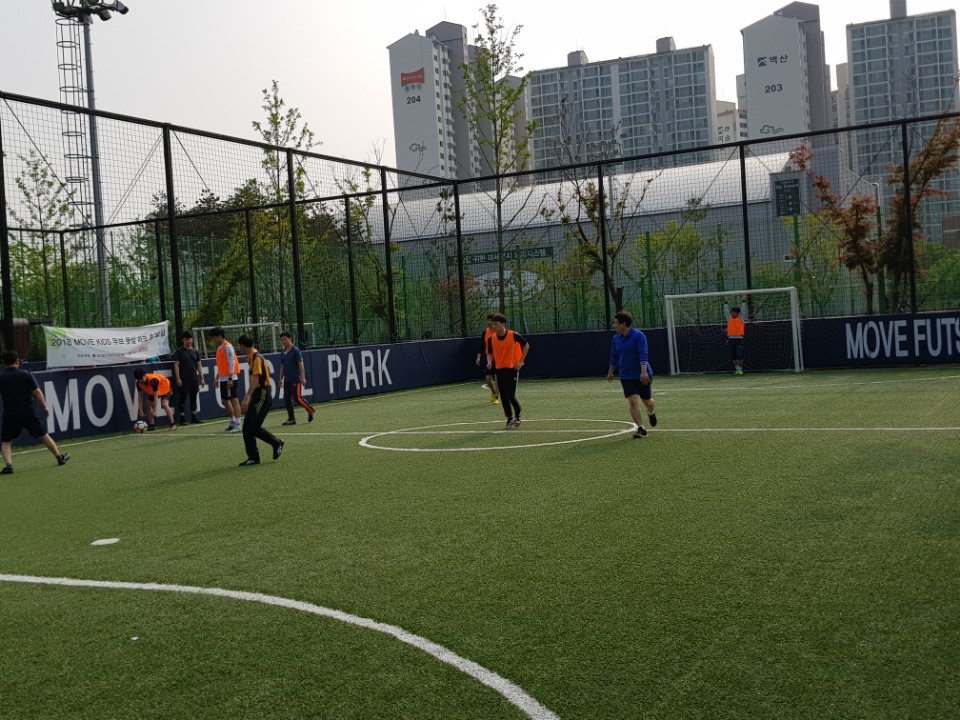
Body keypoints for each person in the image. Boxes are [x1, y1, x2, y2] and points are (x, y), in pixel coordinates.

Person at [0, 350, 70, 473]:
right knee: (43, 435)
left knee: (6, 441)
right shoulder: (26, 374)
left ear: (4, 362)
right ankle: (59, 457)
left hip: (10, 414)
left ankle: (9, 466)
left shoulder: (2, 377)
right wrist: (45, 407)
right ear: (17, 361)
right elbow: (37, 391)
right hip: (28, 412)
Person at [607, 310, 657, 439]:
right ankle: (641, 428)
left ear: (623, 323)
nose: (614, 325)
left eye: (616, 323)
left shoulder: (639, 336)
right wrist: (611, 371)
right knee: (633, 400)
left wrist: (644, 372)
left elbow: (643, 354)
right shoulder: (616, 339)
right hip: (626, 376)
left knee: (647, 401)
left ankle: (651, 411)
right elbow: (614, 355)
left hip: (642, 374)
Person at [235, 335, 284, 466]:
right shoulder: (251, 357)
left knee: (254, 427)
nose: (239, 348)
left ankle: (276, 442)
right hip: (257, 394)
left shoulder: (256, 358)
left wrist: (247, 397)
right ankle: (253, 458)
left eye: (240, 346)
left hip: (262, 394)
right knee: (247, 427)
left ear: (243, 346)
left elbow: (255, 380)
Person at [485, 313, 529, 428]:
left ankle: (517, 415)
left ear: (503, 324)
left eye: (496, 324)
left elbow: (526, 345)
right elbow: (490, 353)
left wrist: (520, 361)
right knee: (503, 395)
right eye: (493, 324)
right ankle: (509, 418)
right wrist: (489, 362)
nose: (493, 326)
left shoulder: (513, 335)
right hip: (499, 369)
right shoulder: (491, 339)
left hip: (512, 368)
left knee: (511, 394)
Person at [209, 327, 242, 433]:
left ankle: (238, 424)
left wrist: (230, 378)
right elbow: (222, 365)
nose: (213, 339)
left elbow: (232, 362)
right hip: (223, 378)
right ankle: (232, 422)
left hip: (229, 378)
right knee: (225, 401)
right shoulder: (220, 348)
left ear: (219, 336)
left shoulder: (228, 347)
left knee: (234, 400)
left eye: (214, 337)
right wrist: (217, 377)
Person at [278, 331, 315, 426]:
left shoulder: (295, 351)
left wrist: (303, 378)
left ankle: (310, 410)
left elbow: (301, 365)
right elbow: (282, 366)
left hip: (295, 379)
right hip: (287, 380)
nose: (283, 341)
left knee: (297, 398)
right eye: (281, 340)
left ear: (290, 339)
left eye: (285, 339)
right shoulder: (283, 353)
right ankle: (291, 419)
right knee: (287, 398)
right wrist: (281, 379)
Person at [172, 331, 205, 424]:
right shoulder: (179, 351)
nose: (188, 341)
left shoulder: (195, 352)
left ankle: (194, 417)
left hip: (193, 378)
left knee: (193, 397)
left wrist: (202, 378)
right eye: (186, 339)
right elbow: (176, 365)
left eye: (189, 339)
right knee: (182, 397)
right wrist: (178, 378)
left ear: (192, 340)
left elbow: (199, 365)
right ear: (183, 340)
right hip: (183, 378)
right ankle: (182, 419)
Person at [476, 313, 500, 405]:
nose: (489, 322)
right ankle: (493, 392)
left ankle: (496, 397)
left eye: (491, 320)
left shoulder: (499, 331)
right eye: (488, 320)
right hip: (489, 358)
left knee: (497, 377)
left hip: (498, 357)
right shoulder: (485, 332)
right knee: (488, 379)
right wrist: (478, 357)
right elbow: (481, 345)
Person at [725, 304, 746, 375]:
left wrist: (743, 301)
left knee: (739, 355)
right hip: (731, 339)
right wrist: (726, 303)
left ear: (737, 313)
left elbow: (743, 310)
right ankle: (737, 370)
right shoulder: (729, 318)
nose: (732, 313)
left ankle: (740, 369)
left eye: (733, 312)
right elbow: (726, 311)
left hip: (739, 339)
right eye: (731, 312)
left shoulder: (741, 318)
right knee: (733, 356)